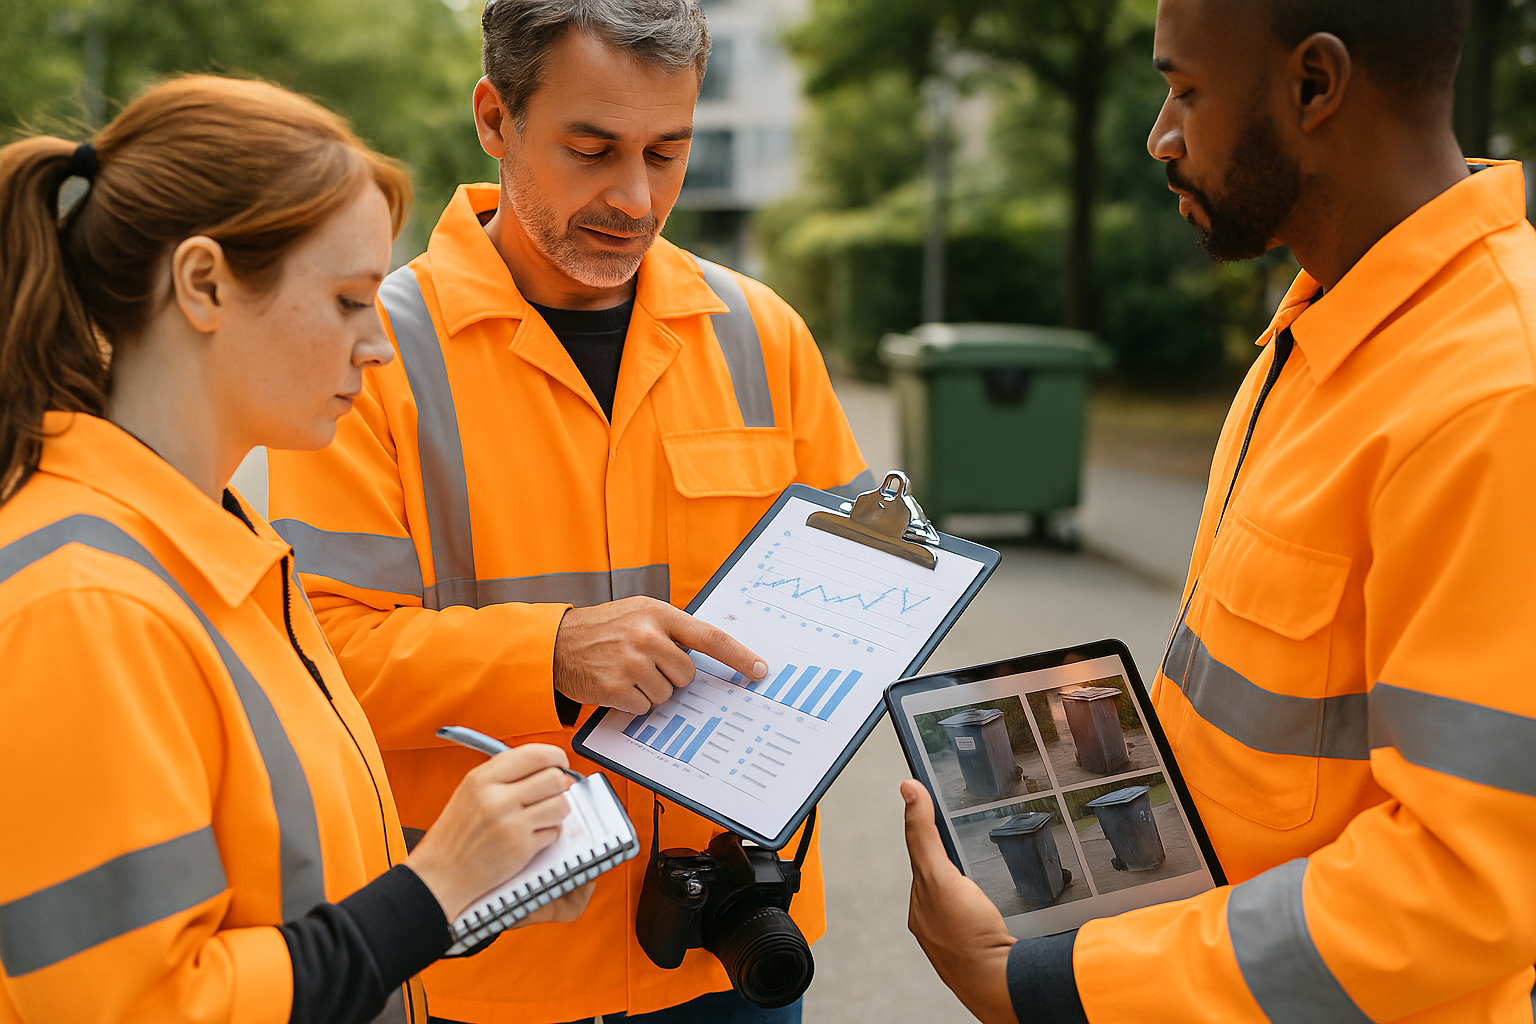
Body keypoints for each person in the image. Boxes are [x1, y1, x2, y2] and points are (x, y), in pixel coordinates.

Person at [900, 0, 1536, 1021]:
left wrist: (1056, 987)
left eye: (1186, 91)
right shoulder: (1328, 325)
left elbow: (1468, 885)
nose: (1161, 135)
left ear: (1314, 84)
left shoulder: (1498, 398)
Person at [265, 1, 872, 1020]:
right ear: (494, 119)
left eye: (667, 152)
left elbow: (858, 607)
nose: (634, 198)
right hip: (488, 962)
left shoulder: (762, 336)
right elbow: (317, 656)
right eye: (591, 150)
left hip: (730, 949)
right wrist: (549, 652)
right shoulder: (371, 359)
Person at [0, 75, 593, 1024]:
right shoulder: (86, 603)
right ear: (203, 284)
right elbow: (143, 1008)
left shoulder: (216, 539)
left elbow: (280, 891)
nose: (378, 346)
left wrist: (466, 889)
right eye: (351, 299)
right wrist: (433, 888)